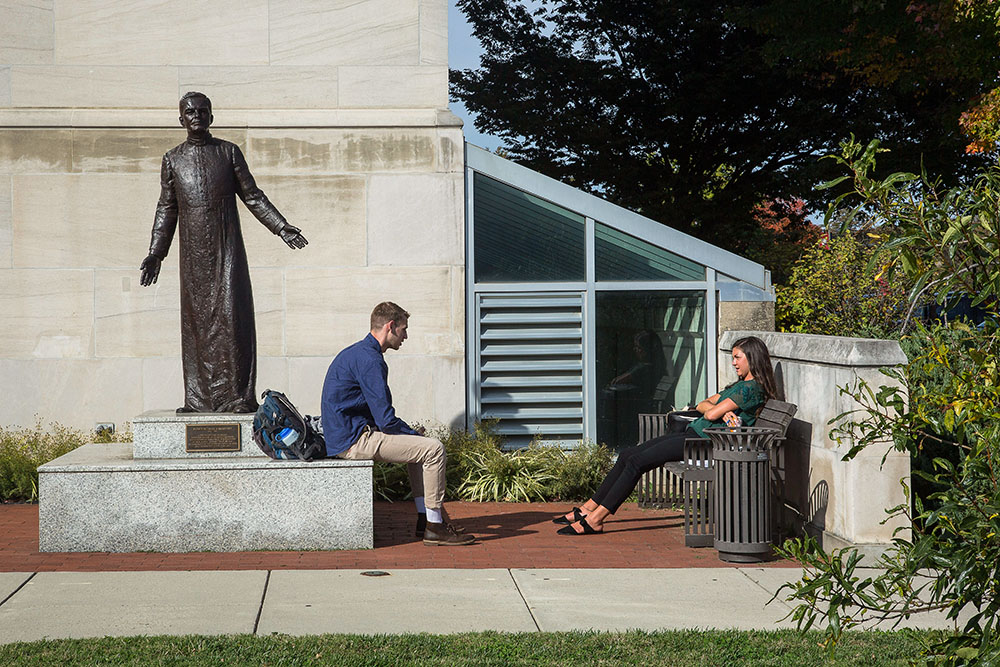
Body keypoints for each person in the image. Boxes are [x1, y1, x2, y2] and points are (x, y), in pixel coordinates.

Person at [139, 92, 308, 413]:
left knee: (233, 322)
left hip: (227, 253)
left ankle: (238, 397)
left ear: (212, 117)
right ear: (181, 120)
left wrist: (281, 226)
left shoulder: (228, 152)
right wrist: (156, 253)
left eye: (203, 111)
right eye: (190, 112)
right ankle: (198, 400)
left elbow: (253, 196)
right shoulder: (172, 159)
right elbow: (166, 207)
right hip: (193, 259)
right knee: (196, 326)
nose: (197, 116)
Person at [554, 335, 777, 535]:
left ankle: (596, 519)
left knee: (636, 462)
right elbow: (702, 405)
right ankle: (587, 508)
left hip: (707, 443)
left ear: (752, 358)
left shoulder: (751, 389)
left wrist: (718, 409)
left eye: (738, 357)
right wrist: (724, 409)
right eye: (733, 357)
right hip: (694, 436)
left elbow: (710, 414)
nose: (734, 362)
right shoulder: (738, 386)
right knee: (627, 455)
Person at [321, 302, 475, 547]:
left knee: (420, 448)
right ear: (390, 327)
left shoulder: (357, 353)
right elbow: (385, 419)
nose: (406, 336)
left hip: (347, 435)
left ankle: (425, 519)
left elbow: (378, 416)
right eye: (403, 329)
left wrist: (412, 435)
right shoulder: (371, 360)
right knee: (433, 449)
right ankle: (435, 527)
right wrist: (412, 433)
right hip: (354, 440)